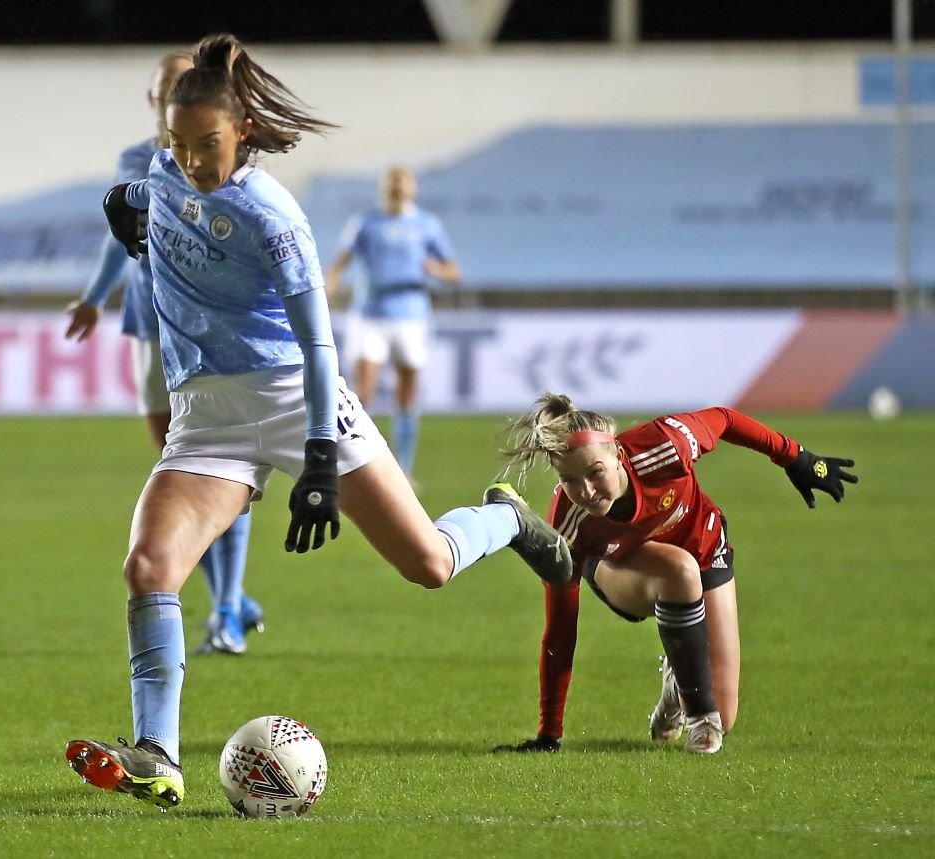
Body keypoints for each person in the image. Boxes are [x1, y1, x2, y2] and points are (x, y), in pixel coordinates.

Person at [64, 32, 572, 811]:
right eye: (177, 143)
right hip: (206, 414)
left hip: (296, 393)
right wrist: (118, 202)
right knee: (148, 569)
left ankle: (504, 520)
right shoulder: (164, 172)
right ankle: (158, 753)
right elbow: (141, 195)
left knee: (427, 564)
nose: (193, 159)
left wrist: (320, 459)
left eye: (209, 144)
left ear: (242, 134)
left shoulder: (271, 215)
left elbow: (320, 340)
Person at [491, 393, 857, 755]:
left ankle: (677, 681)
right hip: (621, 573)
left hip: (706, 550)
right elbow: (560, 629)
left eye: (595, 473)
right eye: (569, 480)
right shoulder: (569, 523)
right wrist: (549, 734)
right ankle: (701, 718)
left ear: (617, 455)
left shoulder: (667, 444)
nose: (585, 491)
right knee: (679, 571)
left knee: (726, 716)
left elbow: (724, 418)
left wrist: (795, 457)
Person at [62, 50, 263, 656]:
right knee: (177, 462)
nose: (172, 91)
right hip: (149, 321)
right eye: (164, 86)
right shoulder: (136, 161)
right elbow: (116, 240)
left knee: (217, 461)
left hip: (206, 326)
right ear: (155, 98)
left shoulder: (218, 163)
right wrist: (95, 298)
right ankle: (233, 598)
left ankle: (227, 608)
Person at [324, 166, 460, 481]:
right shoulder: (366, 223)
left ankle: (404, 469)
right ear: (384, 189)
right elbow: (340, 262)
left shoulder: (426, 224)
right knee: (363, 393)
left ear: (412, 189)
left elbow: (454, 271)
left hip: (411, 317)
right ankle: (359, 467)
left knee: (407, 393)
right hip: (370, 316)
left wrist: (437, 270)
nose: (397, 190)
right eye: (392, 185)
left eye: (402, 184)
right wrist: (327, 289)